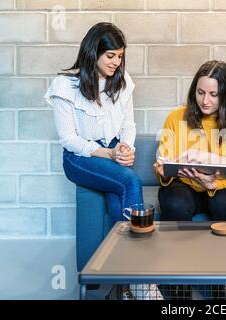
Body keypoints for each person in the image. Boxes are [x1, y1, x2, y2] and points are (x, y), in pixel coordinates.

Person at [44, 22, 160, 300]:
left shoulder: (122, 83)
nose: (116, 62)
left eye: (120, 56)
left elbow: (128, 126)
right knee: (129, 180)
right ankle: (140, 279)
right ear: (93, 52)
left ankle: (118, 284)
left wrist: (126, 148)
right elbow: (69, 140)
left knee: (116, 197)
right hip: (79, 157)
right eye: (111, 56)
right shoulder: (65, 86)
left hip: (110, 150)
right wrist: (110, 154)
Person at [154, 60, 226, 223]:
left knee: (225, 203)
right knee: (176, 204)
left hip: (221, 186)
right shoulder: (175, 118)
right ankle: (175, 249)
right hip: (185, 185)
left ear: (225, 95)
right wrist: (163, 171)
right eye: (200, 92)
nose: (205, 101)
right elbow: (165, 162)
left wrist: (213, 185)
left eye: (213, 94)